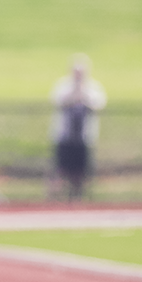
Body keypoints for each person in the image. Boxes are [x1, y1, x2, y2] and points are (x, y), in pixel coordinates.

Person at [51, 56, 106, 201]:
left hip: (83, 137)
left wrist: (82, 91)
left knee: (80, 171)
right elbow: (60, 102)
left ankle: (77, 198)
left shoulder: (93, 88)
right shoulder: (63, 86)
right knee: (60, 169)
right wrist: (75, 91)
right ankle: (56, 199)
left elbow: (97, 104)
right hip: (65, 136)